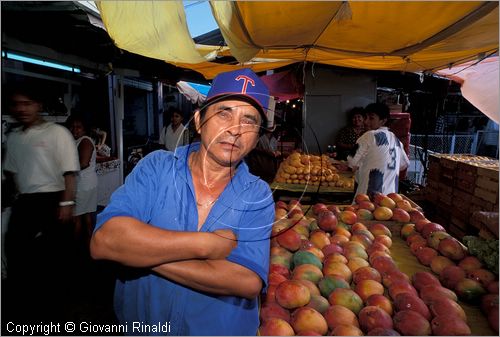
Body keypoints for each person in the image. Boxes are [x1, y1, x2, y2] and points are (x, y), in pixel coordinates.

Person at [90, 68, 275, 335]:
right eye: (224, 113)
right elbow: (105, 241)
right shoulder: (157, 168)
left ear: (257, 137)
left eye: (249, 121)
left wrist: (138, 254)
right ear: (199, 121)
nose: (235, 129)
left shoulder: (258, 194)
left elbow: (246, 281)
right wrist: (205, 245)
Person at [3, 84, 80, 322]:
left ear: (38, 106)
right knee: (16, 251)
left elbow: (69, 172)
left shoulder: (57, 133)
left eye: (27, 103)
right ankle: (25, 308)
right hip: (25, 201)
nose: (22, 109)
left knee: (53, 258)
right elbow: (12, 172)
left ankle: (54, 312)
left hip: (53, 198)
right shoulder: (14, 137)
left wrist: (66, 204)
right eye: (17, 104)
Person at [347, 102, 409, 198]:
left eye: (371, 118)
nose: (366, 122)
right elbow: (404, 164)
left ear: (383, 121)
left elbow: (351, 161)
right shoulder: (396, 140)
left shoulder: (369, 135)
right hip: (391, 200)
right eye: (366, 117)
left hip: (368, 199)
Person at [66, 114, 98, 252]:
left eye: (78, 127)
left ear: (85, 129)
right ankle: (91, 244)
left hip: (83, 185)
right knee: (86, 215)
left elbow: (83, 163)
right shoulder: (78, 140)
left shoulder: (84, 141)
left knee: (77, 216)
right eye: (72, 126)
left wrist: (65, 171)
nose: (75, 130)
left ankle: (77, 247)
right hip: (87, 183)